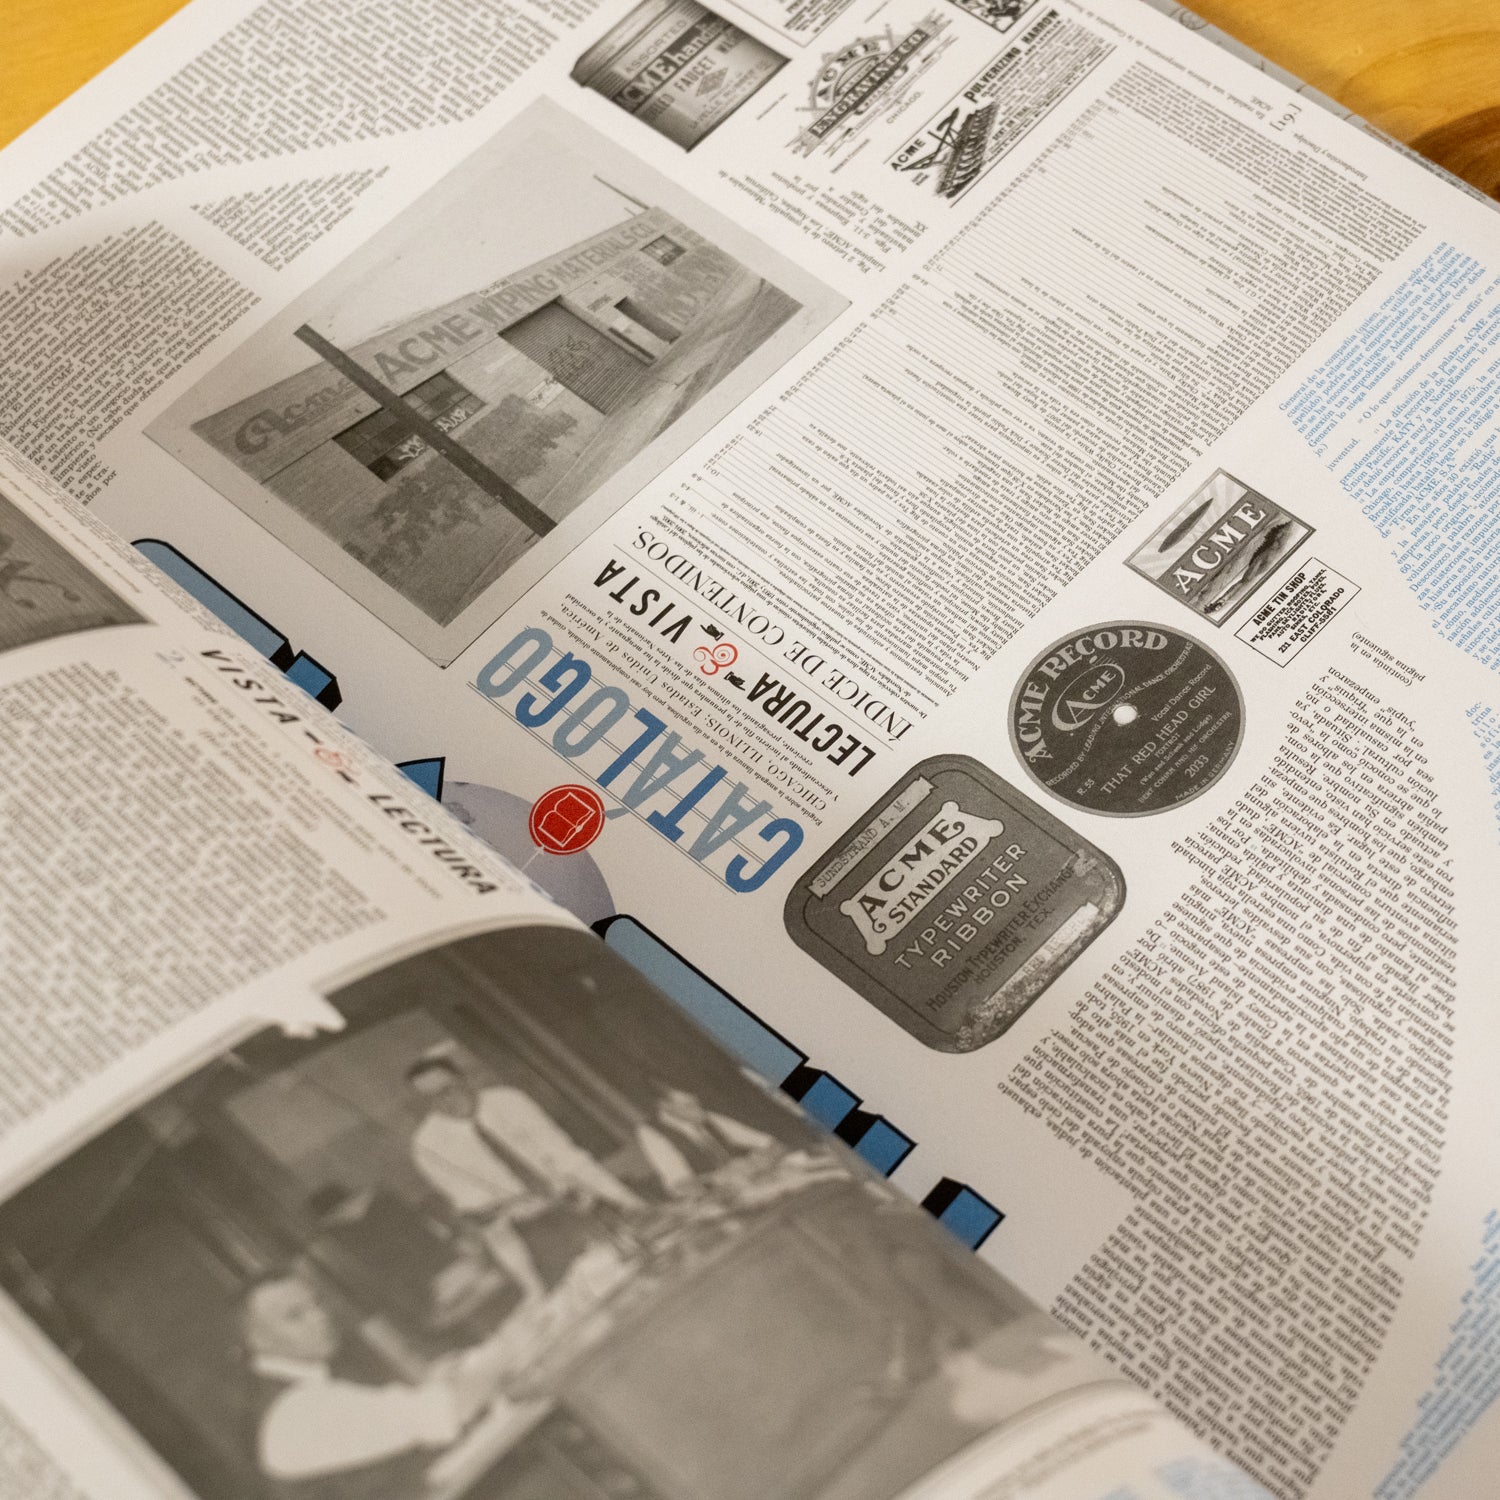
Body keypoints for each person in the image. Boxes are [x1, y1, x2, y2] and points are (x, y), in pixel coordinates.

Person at [241, 1270, 514, 1500]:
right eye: (294, 1315)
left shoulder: (310, 1382)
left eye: (317, 1303)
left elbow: (397, 1412)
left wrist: (445, 1381)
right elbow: (445, 1412)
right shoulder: (295, 1410)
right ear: (258, 1339)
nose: (320, 1317)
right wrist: (509, 1350)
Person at [407, 1054, 642, 1298]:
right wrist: (532, 1286)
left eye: (448, 1089)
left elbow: (568, 1157)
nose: (446, 1101)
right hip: (531, 1231)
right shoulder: (427, 1146)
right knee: (587, 1288)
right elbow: (481, 1213)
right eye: (432, 1098)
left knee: (634, 1250)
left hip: (579, 1198)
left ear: (464, 1079)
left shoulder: (508, 1101)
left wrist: (625, 1200)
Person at [636, 1081, 779, 1196]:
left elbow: (773, 1144)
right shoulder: (651, 1133)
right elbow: (681, 1187)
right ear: (665, 1106)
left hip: (754, 1189)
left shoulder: (703, 1114)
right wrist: (717, 1179)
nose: (698, 1110)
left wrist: (760, 1160)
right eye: (688, 1105)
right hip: (719, 1201)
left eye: (697, 1102)